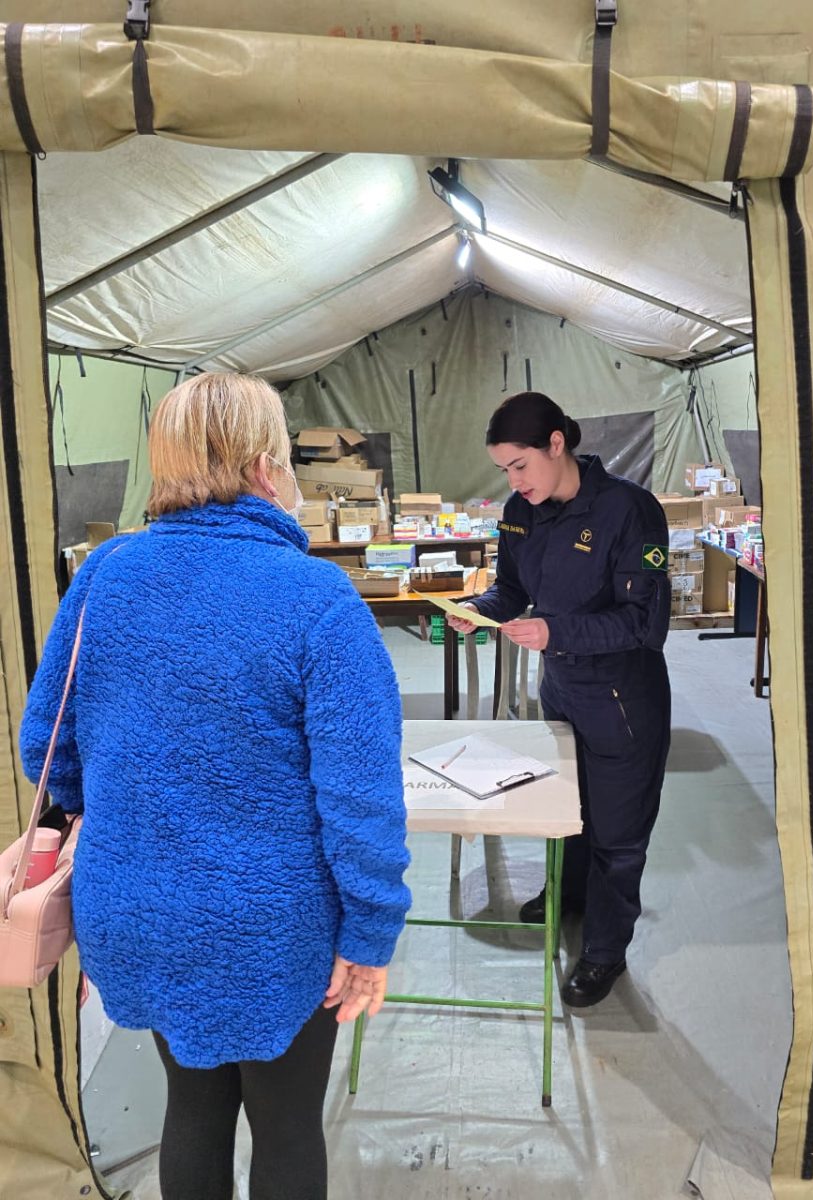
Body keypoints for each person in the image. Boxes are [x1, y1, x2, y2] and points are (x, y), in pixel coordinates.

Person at [19, 373, 412, 1200]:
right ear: (266, 469)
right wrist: (370, 932)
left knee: (192, 1110)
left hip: (137, 911)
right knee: (287, 1127)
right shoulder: (316, 597)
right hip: (272, 927)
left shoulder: (104, 574)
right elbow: (362, 800)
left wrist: (131, 808)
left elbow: (45, 746)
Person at [448, 391, 671, 1008]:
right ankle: (568, 895)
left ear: (556, 444)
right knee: (566, 810)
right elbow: (511, 588)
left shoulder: (629, 510)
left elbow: (644, 624)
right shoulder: (521, 511)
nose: (514, 481)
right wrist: (478, 610)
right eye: (504, 470)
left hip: (622, 699)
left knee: (617, 833)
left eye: (521, 465)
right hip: (562, 690)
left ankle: (605, 950)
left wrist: (556, 632)